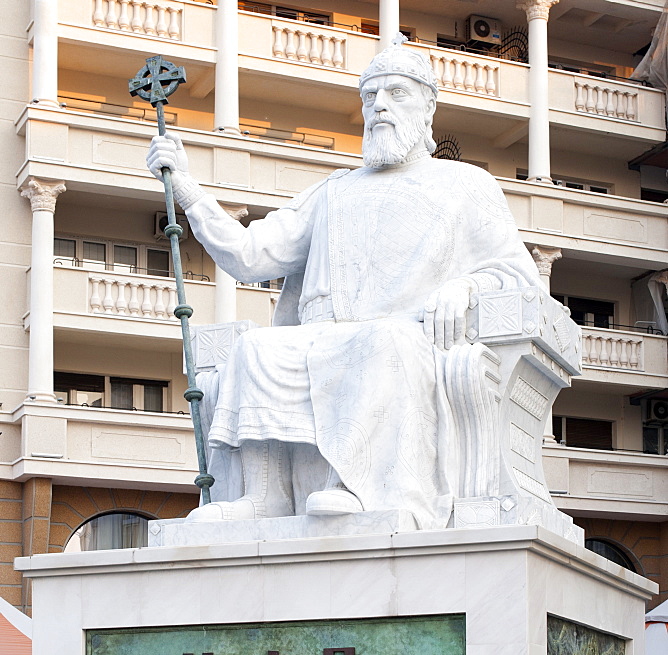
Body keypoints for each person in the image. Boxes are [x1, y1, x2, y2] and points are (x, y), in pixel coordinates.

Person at [147, 37, 540, 527]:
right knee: (256, 349)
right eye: (369, 96)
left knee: (381, 341)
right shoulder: (333, 190)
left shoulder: (464, 184)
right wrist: (185, 188)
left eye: (396, 93)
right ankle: (263, 496)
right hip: (325, 335)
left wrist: (465, 288)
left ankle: (356, 486)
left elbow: (516, 274)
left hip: (407, 337)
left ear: (429, 106)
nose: (378, 106)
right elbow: (252, 255)